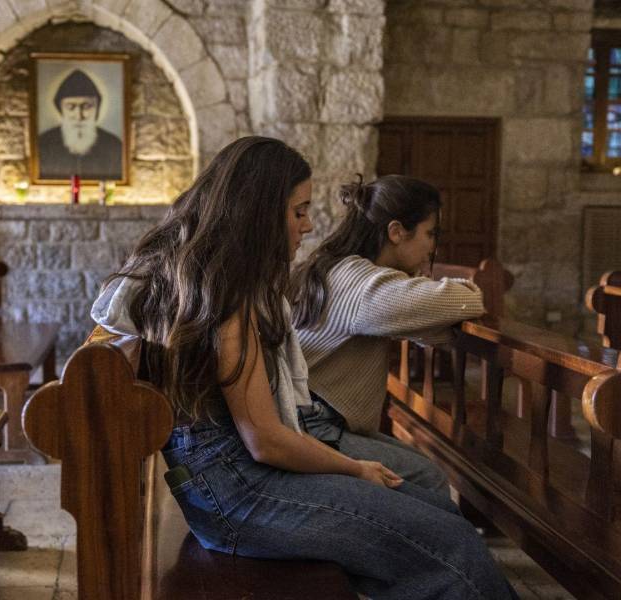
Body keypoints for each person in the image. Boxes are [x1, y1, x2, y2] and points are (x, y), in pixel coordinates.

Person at [91, 138, 517, 599]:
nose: (308, 225)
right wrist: (355, 468)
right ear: (257, 212)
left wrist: (356, 469)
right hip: (239, 498)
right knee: (451, 544)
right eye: (298, 211)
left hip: (220, 485)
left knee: (427, 506)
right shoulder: (230, 299)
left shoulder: (202, 279)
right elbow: (266, 442)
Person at [290, 175, 486, 495]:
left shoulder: (342, 268)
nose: (432, 246)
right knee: (429, 479)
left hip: (314, 418)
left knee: (427, 471)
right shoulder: (361, 284)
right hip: (315, 426)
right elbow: (465, 300)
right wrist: (469, 290)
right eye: (430, 233)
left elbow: (426, 329)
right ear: (396, 232)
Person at [37, 69, 123, 180]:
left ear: (97, 109)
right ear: (60, 109)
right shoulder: (44, 144)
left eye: (86, 106)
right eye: (70, 107)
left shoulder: (114, 146)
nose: (79, 116)